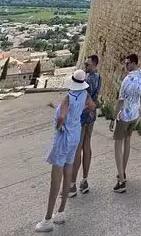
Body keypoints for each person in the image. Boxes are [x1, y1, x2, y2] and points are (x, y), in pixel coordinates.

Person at [35, 69, 96, 233]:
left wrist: (59, 125)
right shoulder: (85, 95)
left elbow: (61, 117)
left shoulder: (69, 97)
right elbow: (93, 106)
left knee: (56, 177)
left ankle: (47, 218)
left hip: (63, 138)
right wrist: (82, 111)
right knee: (69, 170)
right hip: (75, 134)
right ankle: (61, 211)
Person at [69, 54, 101, 197]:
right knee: (87, 146)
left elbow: (84, 100)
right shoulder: (99, 78)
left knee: (78, 149)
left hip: (82, 117)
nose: (85, 66)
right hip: (92, 116)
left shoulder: (86, 81)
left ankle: (72, 185)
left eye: (87, 65)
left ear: (94, 65)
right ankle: (85, 180)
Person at [113, 53, 141, 194]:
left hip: (125, 116)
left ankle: (121, 181)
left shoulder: (127, 80)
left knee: (117, 146)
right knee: (127, 142)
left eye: (127, 64)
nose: (125, 66)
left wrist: (113, 117)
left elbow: (120, 101)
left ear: (133, 63)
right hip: (135, 114)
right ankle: (123, 172)